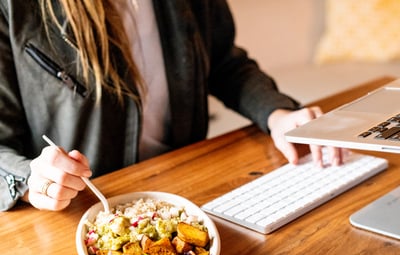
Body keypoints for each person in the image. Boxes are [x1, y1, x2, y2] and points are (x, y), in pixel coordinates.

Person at [0, 0, 343, 211]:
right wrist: (32, 180)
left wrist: (277, 113)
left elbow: (223, 62)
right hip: (83, 210)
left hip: (188, 191)